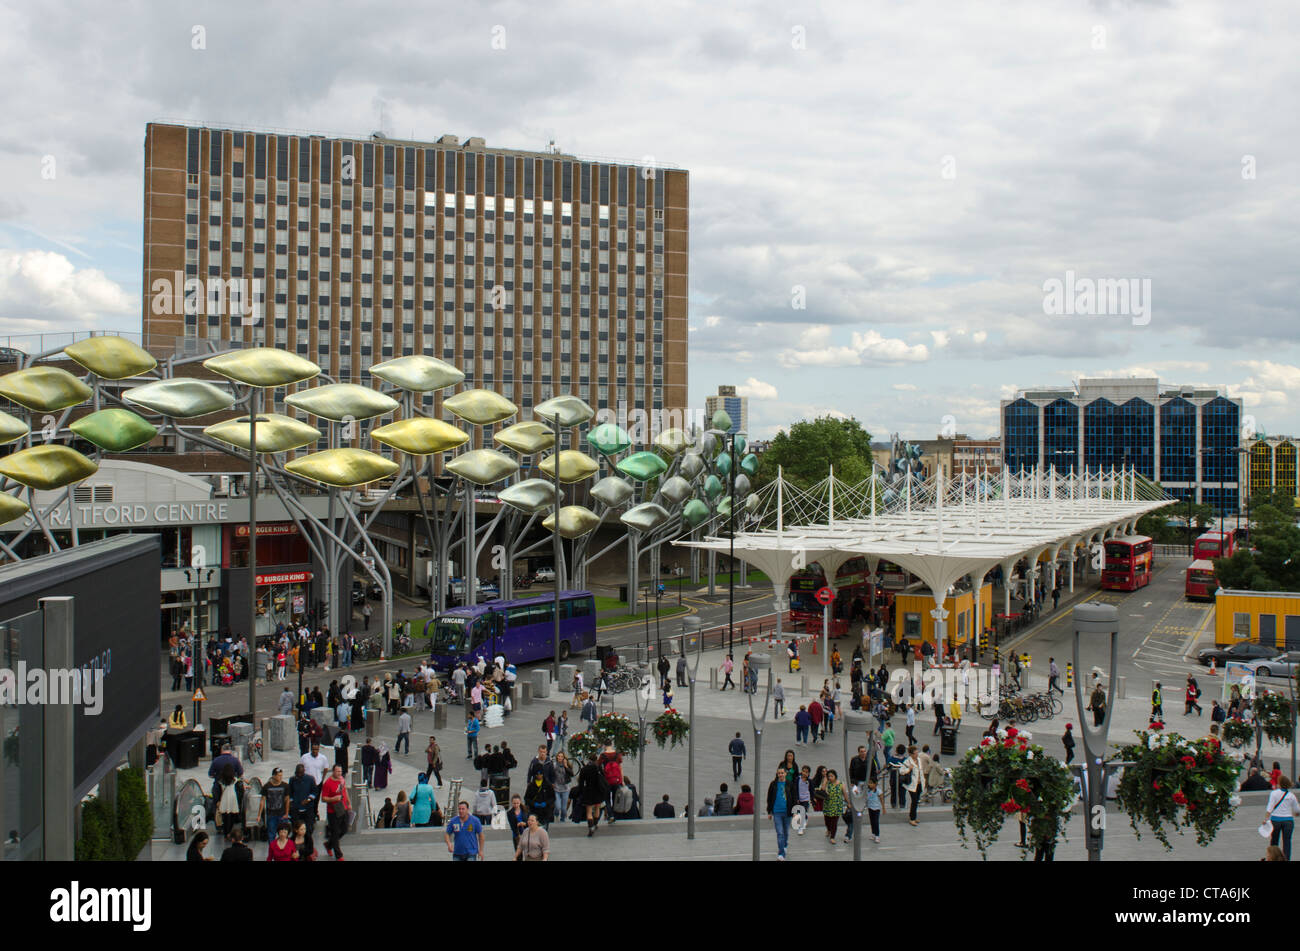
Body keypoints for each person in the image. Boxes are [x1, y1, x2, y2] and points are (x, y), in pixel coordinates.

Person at [320, 764, 350, 860]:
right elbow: (323, 798)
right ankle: (339, 855)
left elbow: (345, 791)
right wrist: (334, 798)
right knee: (335, 832)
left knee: (344, 829)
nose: (339, 773)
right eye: (337, 771)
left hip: (343, 807)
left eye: (340, 771)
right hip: (333, 810)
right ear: (333, 771)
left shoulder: (341, 779)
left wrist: (348, 803)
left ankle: (329, 845)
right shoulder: (328, 783)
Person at [767, 766, 796, 860]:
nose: (780, 775)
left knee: (786, 831)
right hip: (777, 812)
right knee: (780, 832)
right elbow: (769, 798)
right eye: (779, 773)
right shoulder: (773, 784)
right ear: (777, 774)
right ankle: (781, 853)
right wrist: (769, 811)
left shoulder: (790, 784)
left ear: (785, 774)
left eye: (782, 773)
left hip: (787, 812)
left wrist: (794, 811)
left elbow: (794, 798)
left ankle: (785, 845)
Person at [1265, 782, 1300, 860]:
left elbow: (1270, 807)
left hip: (1275, 820)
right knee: (1287, 841)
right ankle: (1286, 858)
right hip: (1288, 820)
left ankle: (1273, 857)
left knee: (1274, 841)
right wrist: (1296, 814)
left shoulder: (1274, 793)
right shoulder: (1291, 795)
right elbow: (1297, 810)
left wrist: (1266, 818)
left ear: (1279, 784)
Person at [578, 754, 608, 836]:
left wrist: (581, 792)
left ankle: (590, 827)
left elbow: (581, 783)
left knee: (589, 811)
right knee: (597, 808)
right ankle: (595, 824)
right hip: (598, 790)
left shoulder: (584, 769)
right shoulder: (598, 768)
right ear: (596, 759)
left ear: (588, 759)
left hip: (588, 791)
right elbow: (604, 777)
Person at [259, 767, 291, 840]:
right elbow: (262, 800)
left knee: (284, 833)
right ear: (274, 776)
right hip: (271, 814)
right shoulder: (267, 786)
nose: (280, 777)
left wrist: (286, 813)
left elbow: (287, 800)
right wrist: (259, 814)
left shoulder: (285, 786)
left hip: (282, 814)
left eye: (281, 775)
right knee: (271, 834)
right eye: (279, 775)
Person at [822, 769, 846, 843]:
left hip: (837, 805)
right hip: (828, 805)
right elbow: (822, 789)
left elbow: (845, 794)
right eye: (829, 776)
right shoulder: (827, 783)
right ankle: (828, 830)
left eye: (831, 776)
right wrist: (825, 780)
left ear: (835, 776)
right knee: (827, 821)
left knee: (834, 822)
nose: (830, 778)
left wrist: (848, 803)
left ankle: (832, 837)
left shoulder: (841, 784)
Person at [902, 746, 922, 825]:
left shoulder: (919, 760)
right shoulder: (907, 761)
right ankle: (912, 818)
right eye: (915, 753)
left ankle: (914, 816)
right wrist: (909, 769)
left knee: (916, 800)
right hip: (912, 784)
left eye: (917, 752)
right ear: (911, 754)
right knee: (914, 800)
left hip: (919, 783)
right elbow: (902, 771)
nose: (917, 754)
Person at [865, 778, 885, 842]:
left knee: (876, 822)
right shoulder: (868, 791)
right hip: (870, 808)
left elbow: (881, 799)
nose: (869, 784)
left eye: (871, 783)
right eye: (869, 783)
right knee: (872, 821)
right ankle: (873, 833)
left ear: (875, 784)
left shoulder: (878, 791)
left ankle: (877, 835)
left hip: (876, 808)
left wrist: (883, 808)